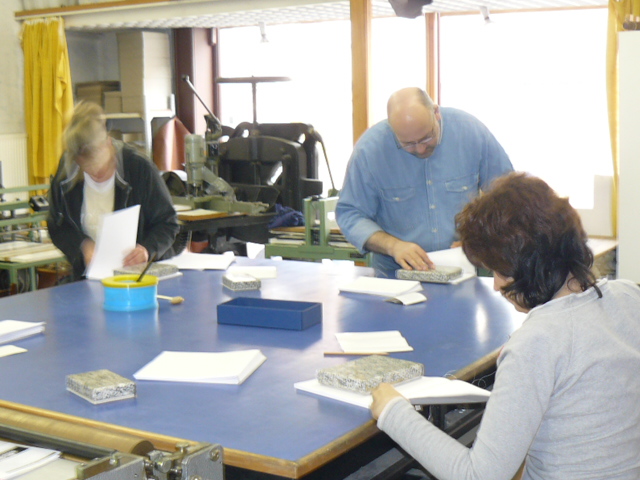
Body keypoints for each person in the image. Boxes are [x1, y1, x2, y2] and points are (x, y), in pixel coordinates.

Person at [371, 172, 640, 480]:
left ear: (532, 267)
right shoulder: (628, 296)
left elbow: (478, 476)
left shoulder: (536, 342)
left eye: (501, 272)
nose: (497, 285)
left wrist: (394, 412)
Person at [336, 87, 513, 278]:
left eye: (427, 138)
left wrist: (480, 240)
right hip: (395, 275)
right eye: (408, 144)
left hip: (464, 270)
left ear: (436, 113)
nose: (420, 149)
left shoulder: (471, 133)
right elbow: (350, 214)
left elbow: (508, 198)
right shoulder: (369, 151)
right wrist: (393, 246)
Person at [48, 101, 179, 281]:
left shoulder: (139, 169)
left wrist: (146, 250)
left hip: (138, 278)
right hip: (90, 278)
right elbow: (57, 226)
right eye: (88, 170)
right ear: (77, 161)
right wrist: (82, 246)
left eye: (102, 168)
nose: (97, 175)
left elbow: (168, 223)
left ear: (109, 144)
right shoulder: (66, 174)